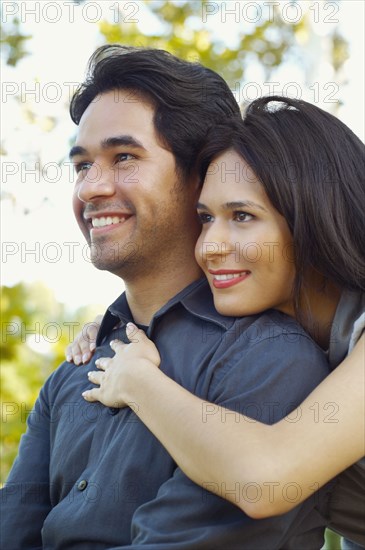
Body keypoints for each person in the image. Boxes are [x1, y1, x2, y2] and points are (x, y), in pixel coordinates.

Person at [0, 47, 334, 549]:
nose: (91, 187)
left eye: (124, 158)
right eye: (82, 164)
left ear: (203, 173)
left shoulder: (270, 357)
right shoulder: (75, 368)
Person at [69, 98, 365, 548]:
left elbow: (266, 480)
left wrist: (137, 381)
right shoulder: (294, 340)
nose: (209, 246)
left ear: (314, 216)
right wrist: (117, 325)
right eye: (206, 218)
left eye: (242, 216)